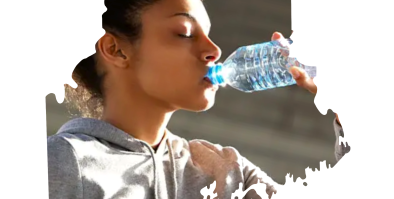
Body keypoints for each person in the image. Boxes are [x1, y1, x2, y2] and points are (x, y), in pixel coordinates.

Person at [46, 0, 350, 198]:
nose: (214, 50)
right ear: (116, 49)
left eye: (208, 34)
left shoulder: (224, 169)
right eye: (185, 32)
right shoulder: (63, 161)